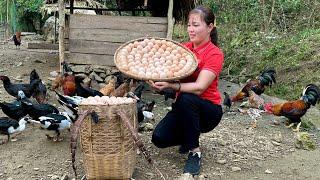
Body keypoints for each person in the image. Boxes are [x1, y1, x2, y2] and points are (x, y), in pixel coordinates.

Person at [148, 5, 224, 176]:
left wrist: (173, 87)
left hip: (208, 111)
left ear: (210, 27)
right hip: (184, 108)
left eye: (196, 25)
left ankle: (194, 151)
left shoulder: (214, 54)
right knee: (159, 138)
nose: (191, 29)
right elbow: (169, 73)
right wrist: (158, 80)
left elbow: (199, 87)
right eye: (189, 25)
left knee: (186, 98)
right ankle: (191, 134)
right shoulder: (183, 49)